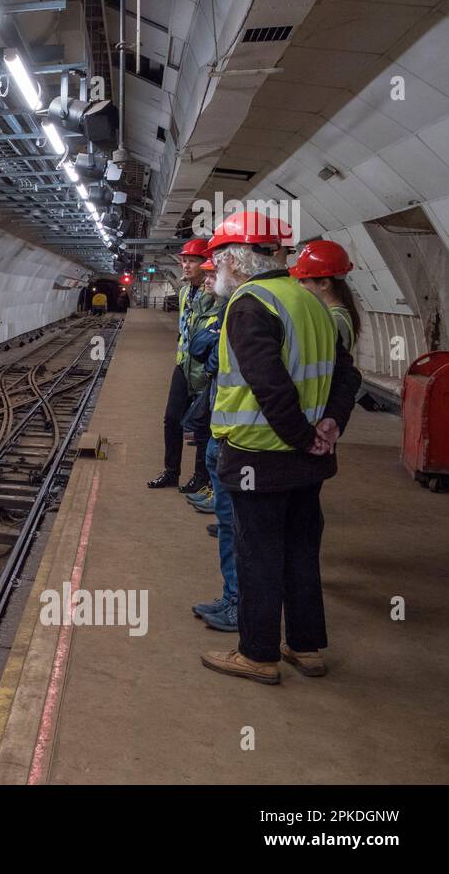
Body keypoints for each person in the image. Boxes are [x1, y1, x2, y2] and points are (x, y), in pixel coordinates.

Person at [199, 212, 362, 684]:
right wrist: (330, 424)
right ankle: (307, 648)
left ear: (236, 259)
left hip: (261, 455)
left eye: (219, 262)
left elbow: (269, 385)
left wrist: (299, 436)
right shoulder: (309, 300)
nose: (217, 272)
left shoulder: (250, 304)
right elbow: (345, 373)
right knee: (300, 550)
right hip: (309, 457)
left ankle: (257, 653)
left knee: (259, 554)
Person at [186, 258, 237, 631]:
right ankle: (234, 599)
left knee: (239, 528)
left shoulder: (243, 306)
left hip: (245, 436)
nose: (208, 278)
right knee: (234, 524)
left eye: (212, 272)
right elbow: (199, 345)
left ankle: (238, 604)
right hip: (240, 431)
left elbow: (209, 351)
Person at [148, 237, 221, 492]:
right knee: (171, 418)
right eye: (184, 260)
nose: (186, 265)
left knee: (202, 425)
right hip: (183, 365)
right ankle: (171, 471)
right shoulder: (183, 292)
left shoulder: (214, 293)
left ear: (206, 263)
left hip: (204, 369)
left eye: (192, 261)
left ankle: (201, 476)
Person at [290, 239, 361, 353]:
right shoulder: (336, 314)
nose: (299, 286)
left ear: (324, 284)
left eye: (303, 281)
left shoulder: (334, 320)